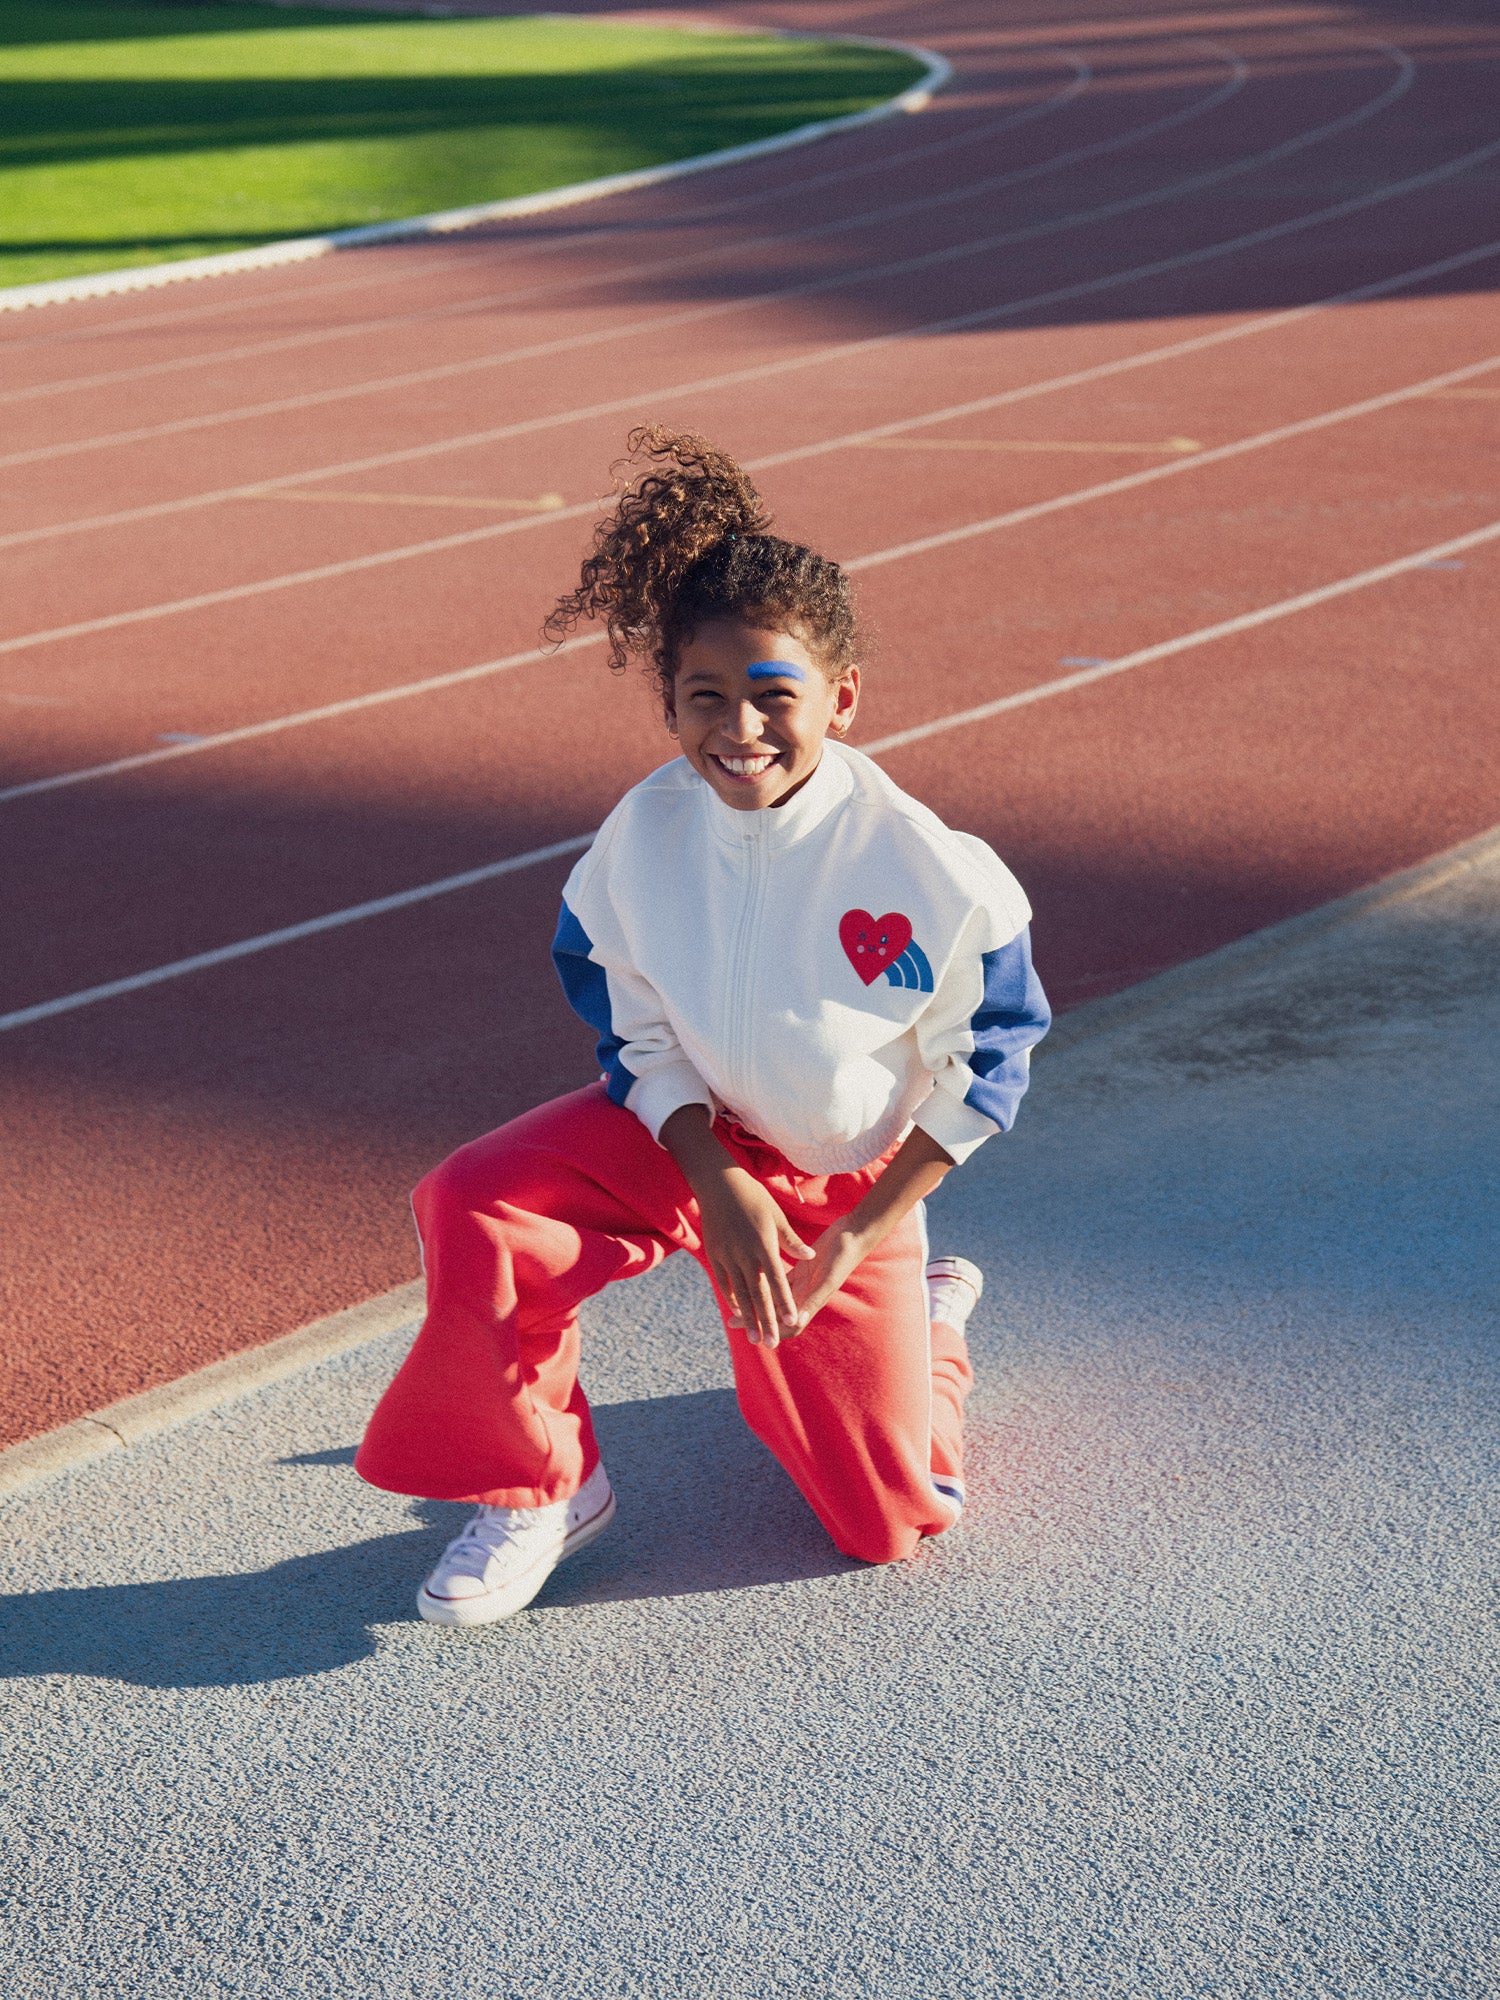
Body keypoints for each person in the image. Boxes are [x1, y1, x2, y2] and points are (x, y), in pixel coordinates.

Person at [355, 428, 1051, 1626]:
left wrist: (859, 1229)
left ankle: (927, 1321)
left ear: (841, 695)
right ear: (668, 698)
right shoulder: (640, 836)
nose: (741, 730)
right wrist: (710, 1170)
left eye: (776, 697)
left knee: (885, 1521)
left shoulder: (933, 871)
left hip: (841, 1181)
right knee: (476, 1199)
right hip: (685, 1136)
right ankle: (539, 1483)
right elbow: (626, 1021)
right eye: (705, 697)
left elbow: (987, 1069)